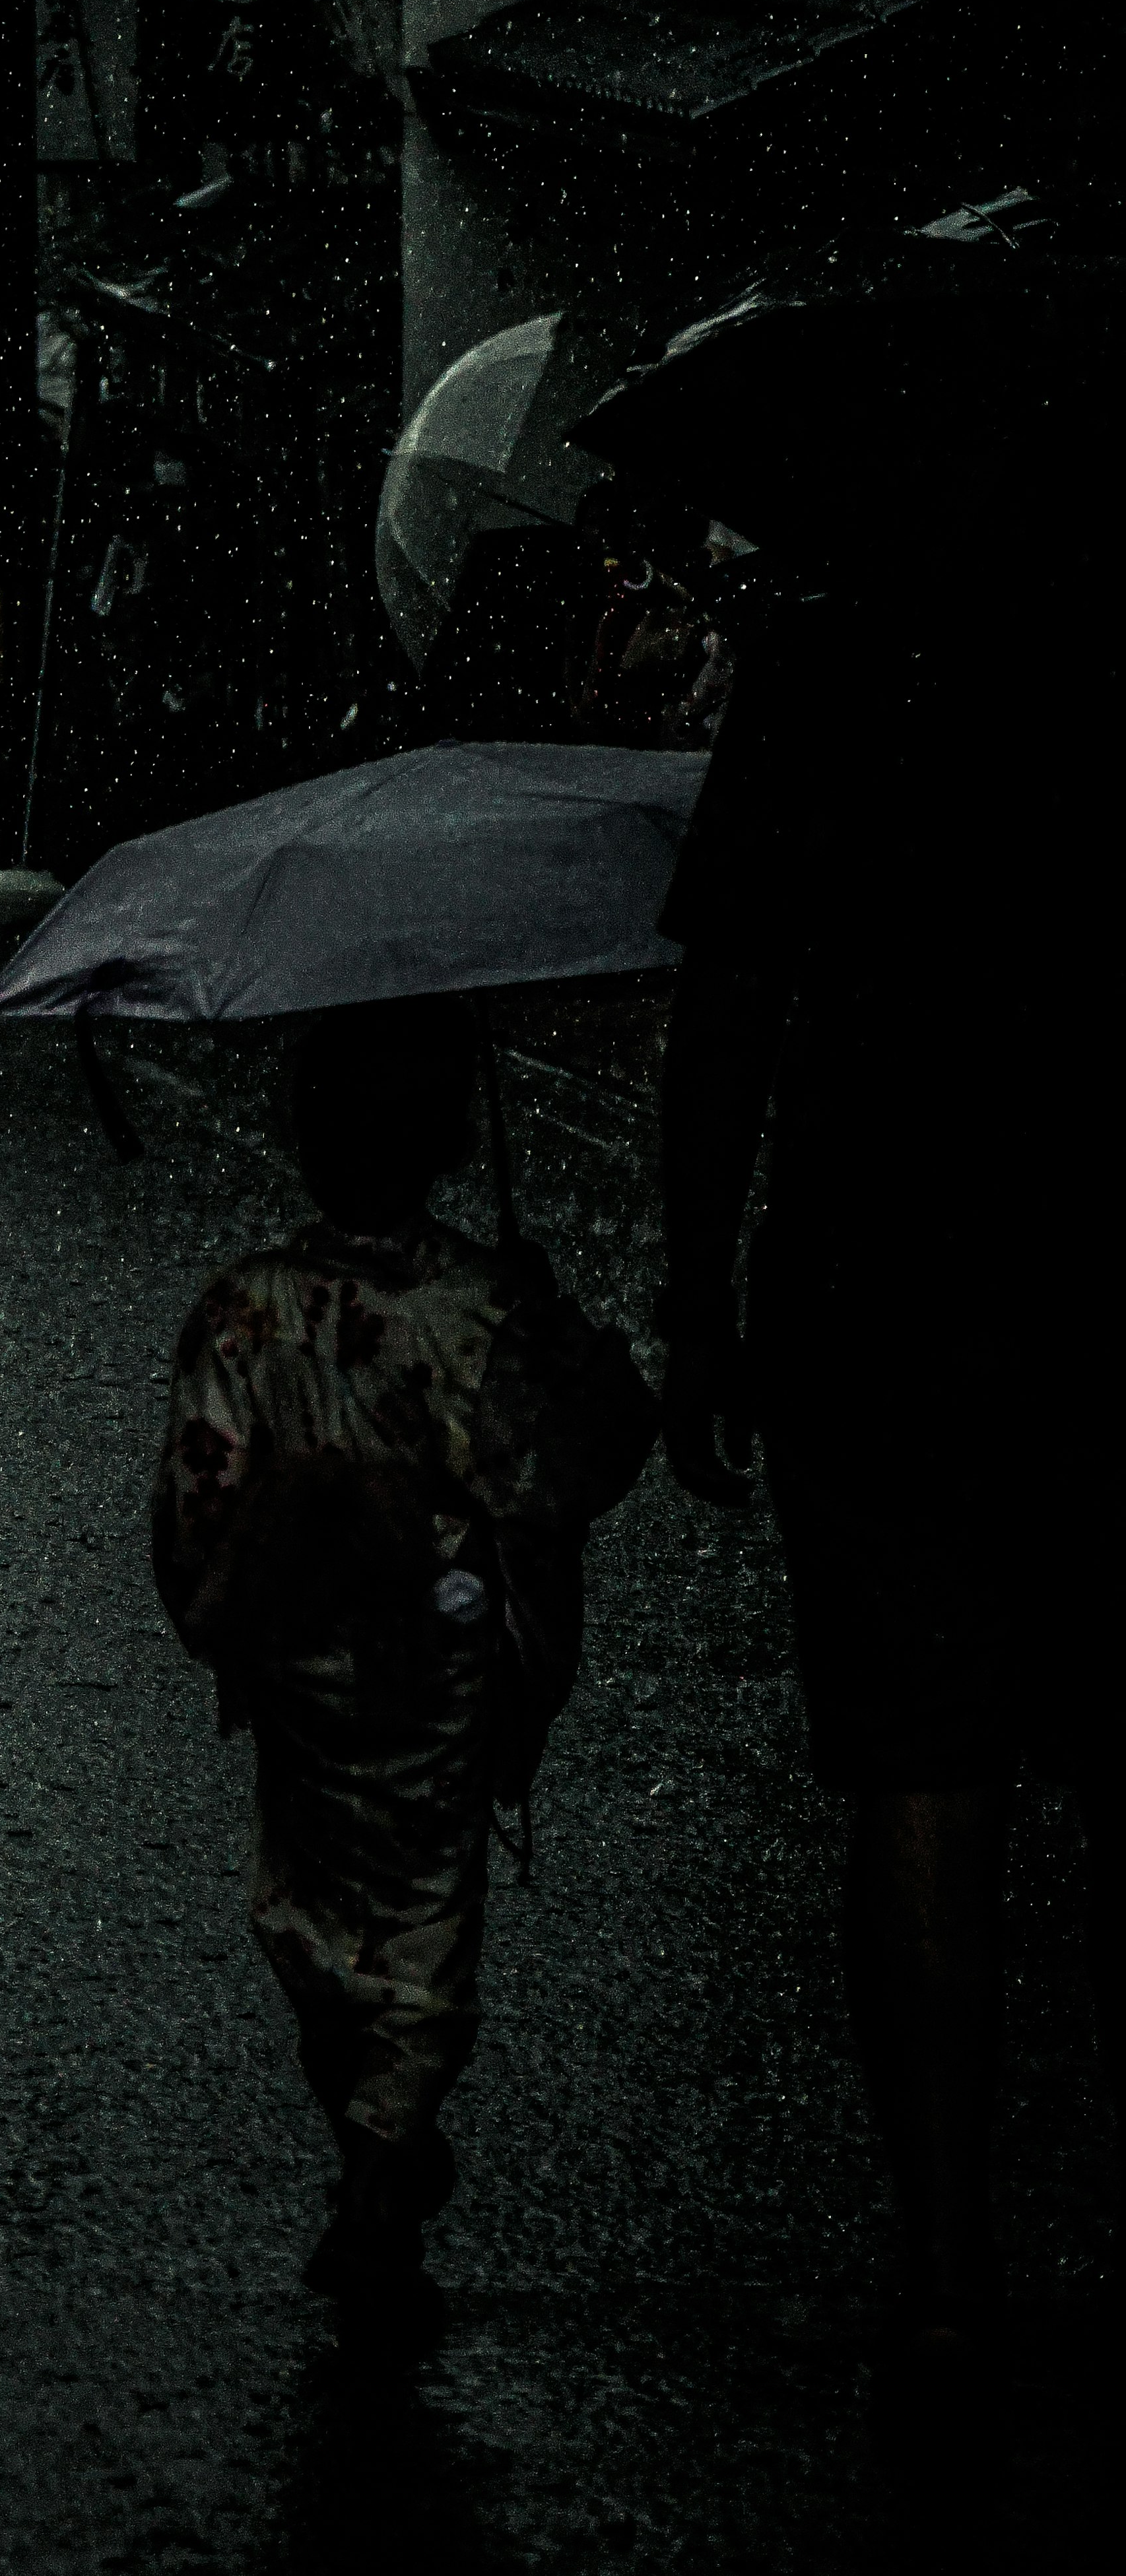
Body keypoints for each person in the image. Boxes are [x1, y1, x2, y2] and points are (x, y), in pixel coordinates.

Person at [657, 562, 1103, 2403]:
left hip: (886, 1277)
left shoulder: (845, 642)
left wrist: (694, 1289)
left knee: (925, 1771)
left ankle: (943, 2270)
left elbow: (736, 988)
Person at [152, 999, 657, 2340]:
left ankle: (370, 2148)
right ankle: (388, 2140)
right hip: (439, 1652)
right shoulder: (480, 1306)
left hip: (303, 1651)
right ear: (442, 1137)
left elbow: (197, 1505)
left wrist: (237, 1605)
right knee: (429, 1908)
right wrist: (549, 1343)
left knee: (313, 1905)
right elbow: (552, 1489)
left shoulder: (246, 1310)